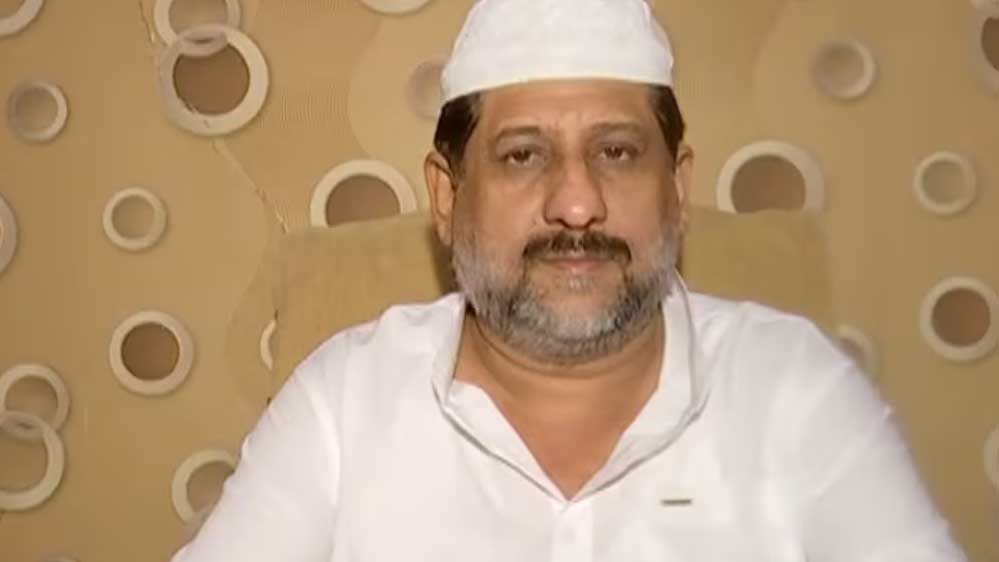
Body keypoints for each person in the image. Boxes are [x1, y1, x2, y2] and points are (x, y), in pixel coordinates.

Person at [171, 0, 967, 560]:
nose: (578, 203)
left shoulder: (793, 388)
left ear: (676, 189)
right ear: (447, 197)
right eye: (523, 155)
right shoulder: (345, 401)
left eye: (616, 152)